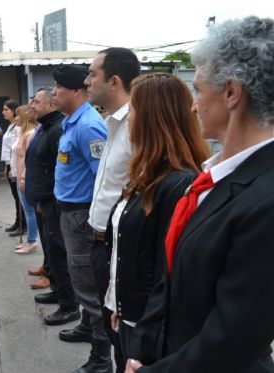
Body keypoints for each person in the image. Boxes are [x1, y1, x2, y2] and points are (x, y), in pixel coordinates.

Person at [126, 16, 274, 373]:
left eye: (198, 90)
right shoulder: (213, 177)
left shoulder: (266, 199)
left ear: (231, 93)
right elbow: (170, 278)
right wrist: (141, 349)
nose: (193, 105)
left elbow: (233, 339)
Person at [104, 73, 210, 369]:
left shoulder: (179, 183)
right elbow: (131, 249)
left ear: (152, 117)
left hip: (148, 332)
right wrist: (118, 301)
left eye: (134, 111)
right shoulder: (148, 173)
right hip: (128, 317)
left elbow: (169, 273)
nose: (129, 120)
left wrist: (142, 336)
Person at [67, 47, 140, 371]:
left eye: (92, 74)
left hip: (118, 245)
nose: (86, 81)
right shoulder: (111, 123)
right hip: (99, 240)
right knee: (106, 317)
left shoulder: (137, 127)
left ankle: (104, 363)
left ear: (113, 81)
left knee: (120, 328)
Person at [51, 65, 110, 373]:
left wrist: (91, 223)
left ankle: (102, 358)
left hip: (81, 216)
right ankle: (88, 327)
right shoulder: (71, 123)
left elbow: (101, 177)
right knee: (80, 280)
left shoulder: (88, 126)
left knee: (89, 286)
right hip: (68, 213)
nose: (53, 93)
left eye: (58, 88)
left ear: (75, 91)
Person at [30, 88, 80, 326]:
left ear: (51, 105)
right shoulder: (45, 127)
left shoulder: (58, 129)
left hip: (56, 202)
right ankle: (59, 292)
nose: (32, 106)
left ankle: (69, 306)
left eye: (37, 102)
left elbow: (60, 170)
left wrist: (49, 199)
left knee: (60, 255)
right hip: (46, 201)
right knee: (52, 251)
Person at [24, 99, 50, 289]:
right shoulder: (40, 129)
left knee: (52, 239)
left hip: (48, 196)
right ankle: (47, 266)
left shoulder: (51, 129)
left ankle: (51, 275)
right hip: (37, 192)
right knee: (45, 236)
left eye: (36, 103)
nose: (31, 107)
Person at [13, 105, 38, 254]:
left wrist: (23, 178)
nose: (15, 118)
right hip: (19, 176)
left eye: (17, 115)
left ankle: (31, 241)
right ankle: (30, 239)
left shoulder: (29, 134)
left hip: (24, 177)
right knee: (27, 210)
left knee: (30, 211)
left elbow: (29, 159)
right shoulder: (22, 133)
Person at [1, 99, 26, 237]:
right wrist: (7, 166)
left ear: (14, 111)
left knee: (19, 197)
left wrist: (12, 168)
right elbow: (7, 150)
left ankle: (23, 225)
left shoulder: (18, 128)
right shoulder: (11, 126)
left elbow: (17, 150)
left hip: (16, 166)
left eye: (6, 109)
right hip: (10, 165)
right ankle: (18, 222)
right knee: (16, 197)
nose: (3, 112)